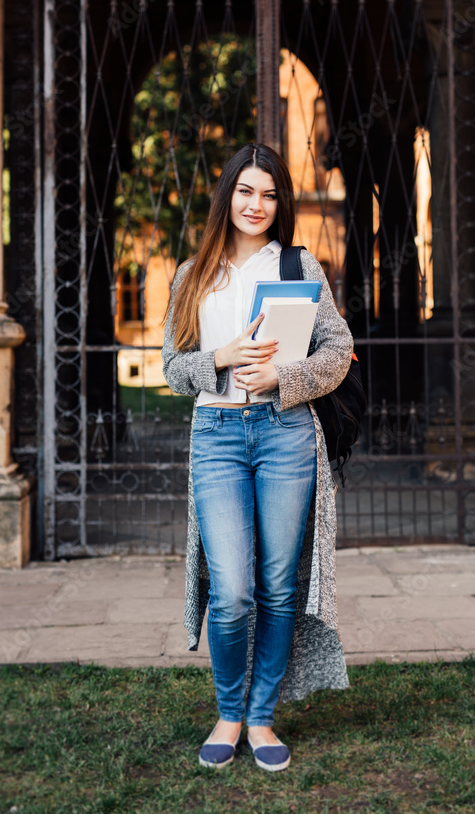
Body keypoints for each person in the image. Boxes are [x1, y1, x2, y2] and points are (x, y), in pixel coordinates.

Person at [161, 142, 353, 773]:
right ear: (227, 196)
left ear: (281, 202)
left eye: (269, 194)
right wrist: (220, 358)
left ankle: (262, 718)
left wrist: (284, 378)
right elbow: (172, 367)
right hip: (216, 435)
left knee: (275, 587)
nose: (257, 204)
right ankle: (228, 711)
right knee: (233, 588)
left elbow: (338, 350)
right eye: (246, 191)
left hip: (285, 435)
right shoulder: (193, 275)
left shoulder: (300, 268)